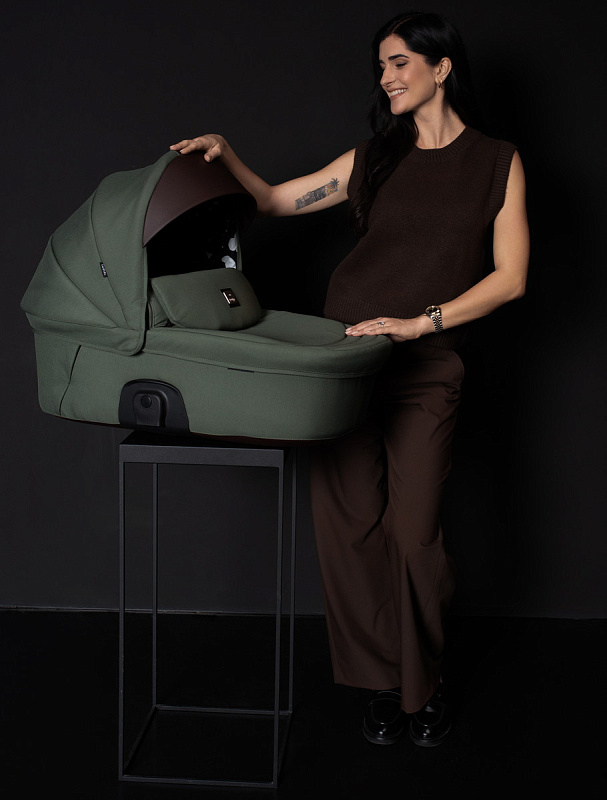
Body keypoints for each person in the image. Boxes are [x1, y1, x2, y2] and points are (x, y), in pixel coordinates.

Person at [170, 10, 529, 748]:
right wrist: (226, 154)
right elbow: (275, 200)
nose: (386, 77)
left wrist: (420, 323)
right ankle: (382, 682)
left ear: (441, 67)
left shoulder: (497, 161)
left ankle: (424, 681)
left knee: (414, 535)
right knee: (348, 528)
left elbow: (511, 278)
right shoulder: (374, 158)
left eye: (399, 62)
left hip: (426, 364)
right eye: (381, 66)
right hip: (340, 363)